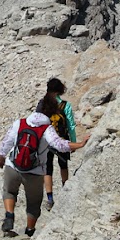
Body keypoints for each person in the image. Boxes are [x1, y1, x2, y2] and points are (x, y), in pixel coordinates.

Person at [0, 90, 90, 237]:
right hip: (34, 172)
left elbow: (6, 143)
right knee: (34, 203)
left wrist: (1, 159)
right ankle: (29, 232)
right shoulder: (47, 129)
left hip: (13, 166)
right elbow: (59, 144)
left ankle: (9, 215)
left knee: (9, 192)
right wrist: (80, 144)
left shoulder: (19, 123)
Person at [42, 78, 77, 211]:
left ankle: (50, 199)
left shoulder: (44, 104)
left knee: (48, 169)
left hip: (47, 142)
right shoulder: (65, 105)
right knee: (63, 165)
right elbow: (71, 125)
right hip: (62, 139)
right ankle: (65, 190)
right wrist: (72, 142)